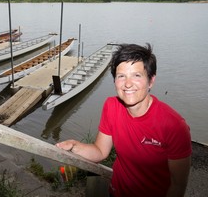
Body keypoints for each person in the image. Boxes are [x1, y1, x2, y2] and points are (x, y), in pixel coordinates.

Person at [56, 43, 192, 197]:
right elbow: (100, 151)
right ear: (115, 81)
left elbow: (178, 185)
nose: (127, 84)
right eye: (121, 76)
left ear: (151, 81)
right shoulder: (111, 106)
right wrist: (74, 146)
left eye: (136, 75)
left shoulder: (174, 126)